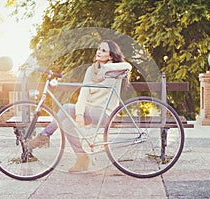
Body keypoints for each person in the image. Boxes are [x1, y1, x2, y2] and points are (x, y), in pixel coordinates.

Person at [27, 40, 132, 172]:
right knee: (66, 123)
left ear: (111, 56)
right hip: (89, 111)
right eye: (99, 49)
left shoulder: (117, 68)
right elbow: (84, 93)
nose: (99, 52)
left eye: (103, 50)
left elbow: (128, 66)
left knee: (65, 108)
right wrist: (79, 114)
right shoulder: (90, 70)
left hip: (104, 114)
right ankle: (82, 157)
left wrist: (104, 69)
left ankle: (44, 135)